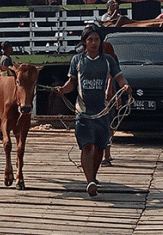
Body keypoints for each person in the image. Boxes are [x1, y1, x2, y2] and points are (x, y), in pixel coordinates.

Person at [56, 26, 131, 197]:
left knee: (99, 147)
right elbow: (71, 83)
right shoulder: (77, 60)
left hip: (103, 111)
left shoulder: (108, 60)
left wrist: (125, 86)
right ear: (84, 42)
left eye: (97, 39)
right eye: (90, 39)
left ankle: (93, 177)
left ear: (101, 41)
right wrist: (63, 89)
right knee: (87, 146)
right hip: (83, 111)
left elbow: (119, 77)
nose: (94, 43)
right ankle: (89, 181)